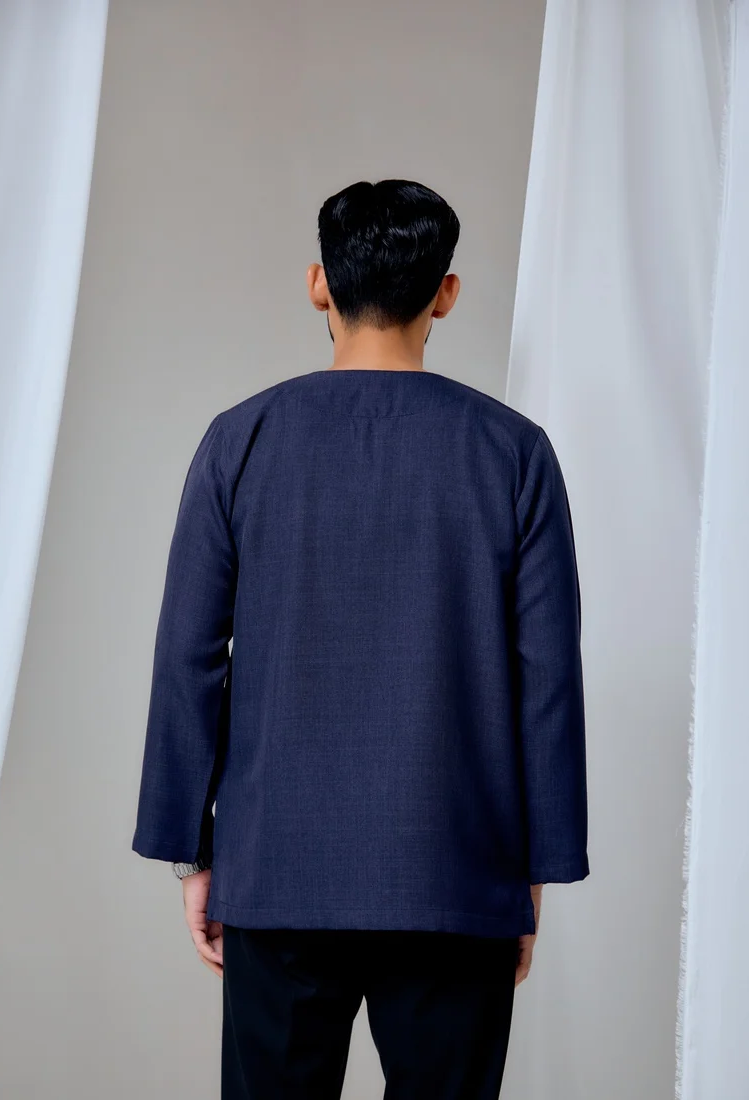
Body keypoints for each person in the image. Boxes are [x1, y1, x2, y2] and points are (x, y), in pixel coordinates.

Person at [131, 179, 589, 1099]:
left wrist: (192, 851)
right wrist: (532, 873)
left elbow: (189, 659)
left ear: (319, 284)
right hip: (457, 870)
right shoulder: (514, 452)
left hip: (277, 868)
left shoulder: (241, 440)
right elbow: (546, 677)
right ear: (445, 294)